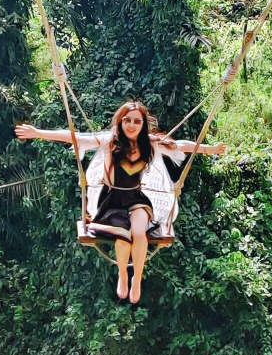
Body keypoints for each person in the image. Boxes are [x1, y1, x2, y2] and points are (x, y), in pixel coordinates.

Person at [16, 100, 224, 304]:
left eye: (136, 121)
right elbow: (74, 136)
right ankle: (123, 273)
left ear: (143, 125)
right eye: (127, 120)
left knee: (139, 231)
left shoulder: (149, 143)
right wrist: (38, 132)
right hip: (111, 201)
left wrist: (210, 149)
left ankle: (137, 278)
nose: (131, 125)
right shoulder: (109, 140)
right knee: (122, 236)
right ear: (120, 122)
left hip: (137, 198)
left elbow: (181, 145)